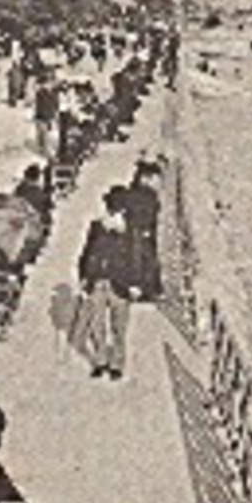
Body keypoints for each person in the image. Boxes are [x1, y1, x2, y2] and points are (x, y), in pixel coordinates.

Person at [70, 191, 134, 380]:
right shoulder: (97, 226)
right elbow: (86, 252)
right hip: (96, 281)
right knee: (96, 326)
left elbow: (137, 259)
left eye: (116, 206)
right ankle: (101, 361)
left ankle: (117, 364)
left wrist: (135, 283)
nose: (112, 209)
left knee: (119, 328)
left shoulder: (130, 230)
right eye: (110, 205)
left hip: (121, 284)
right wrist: (83, 277)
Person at [119, 160, 163, 303]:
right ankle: (143, 289)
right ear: (145, 178)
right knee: (140, 256)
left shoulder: (140, 194)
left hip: (140, 236)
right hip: (138, 236)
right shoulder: (144, 197)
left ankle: (144, 288)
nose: (158, 183)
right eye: (155, 179)